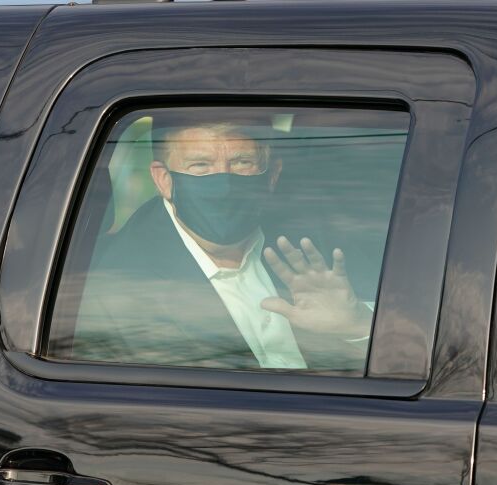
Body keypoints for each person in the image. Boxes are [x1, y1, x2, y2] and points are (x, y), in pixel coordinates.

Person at [70, 120, 373, 371]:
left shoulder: (319, 238)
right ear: (164, 180)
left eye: (242, 163)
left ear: (272, 174)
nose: (225, 183)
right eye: (200, 165)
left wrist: (357, 326)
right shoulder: (113, 287)